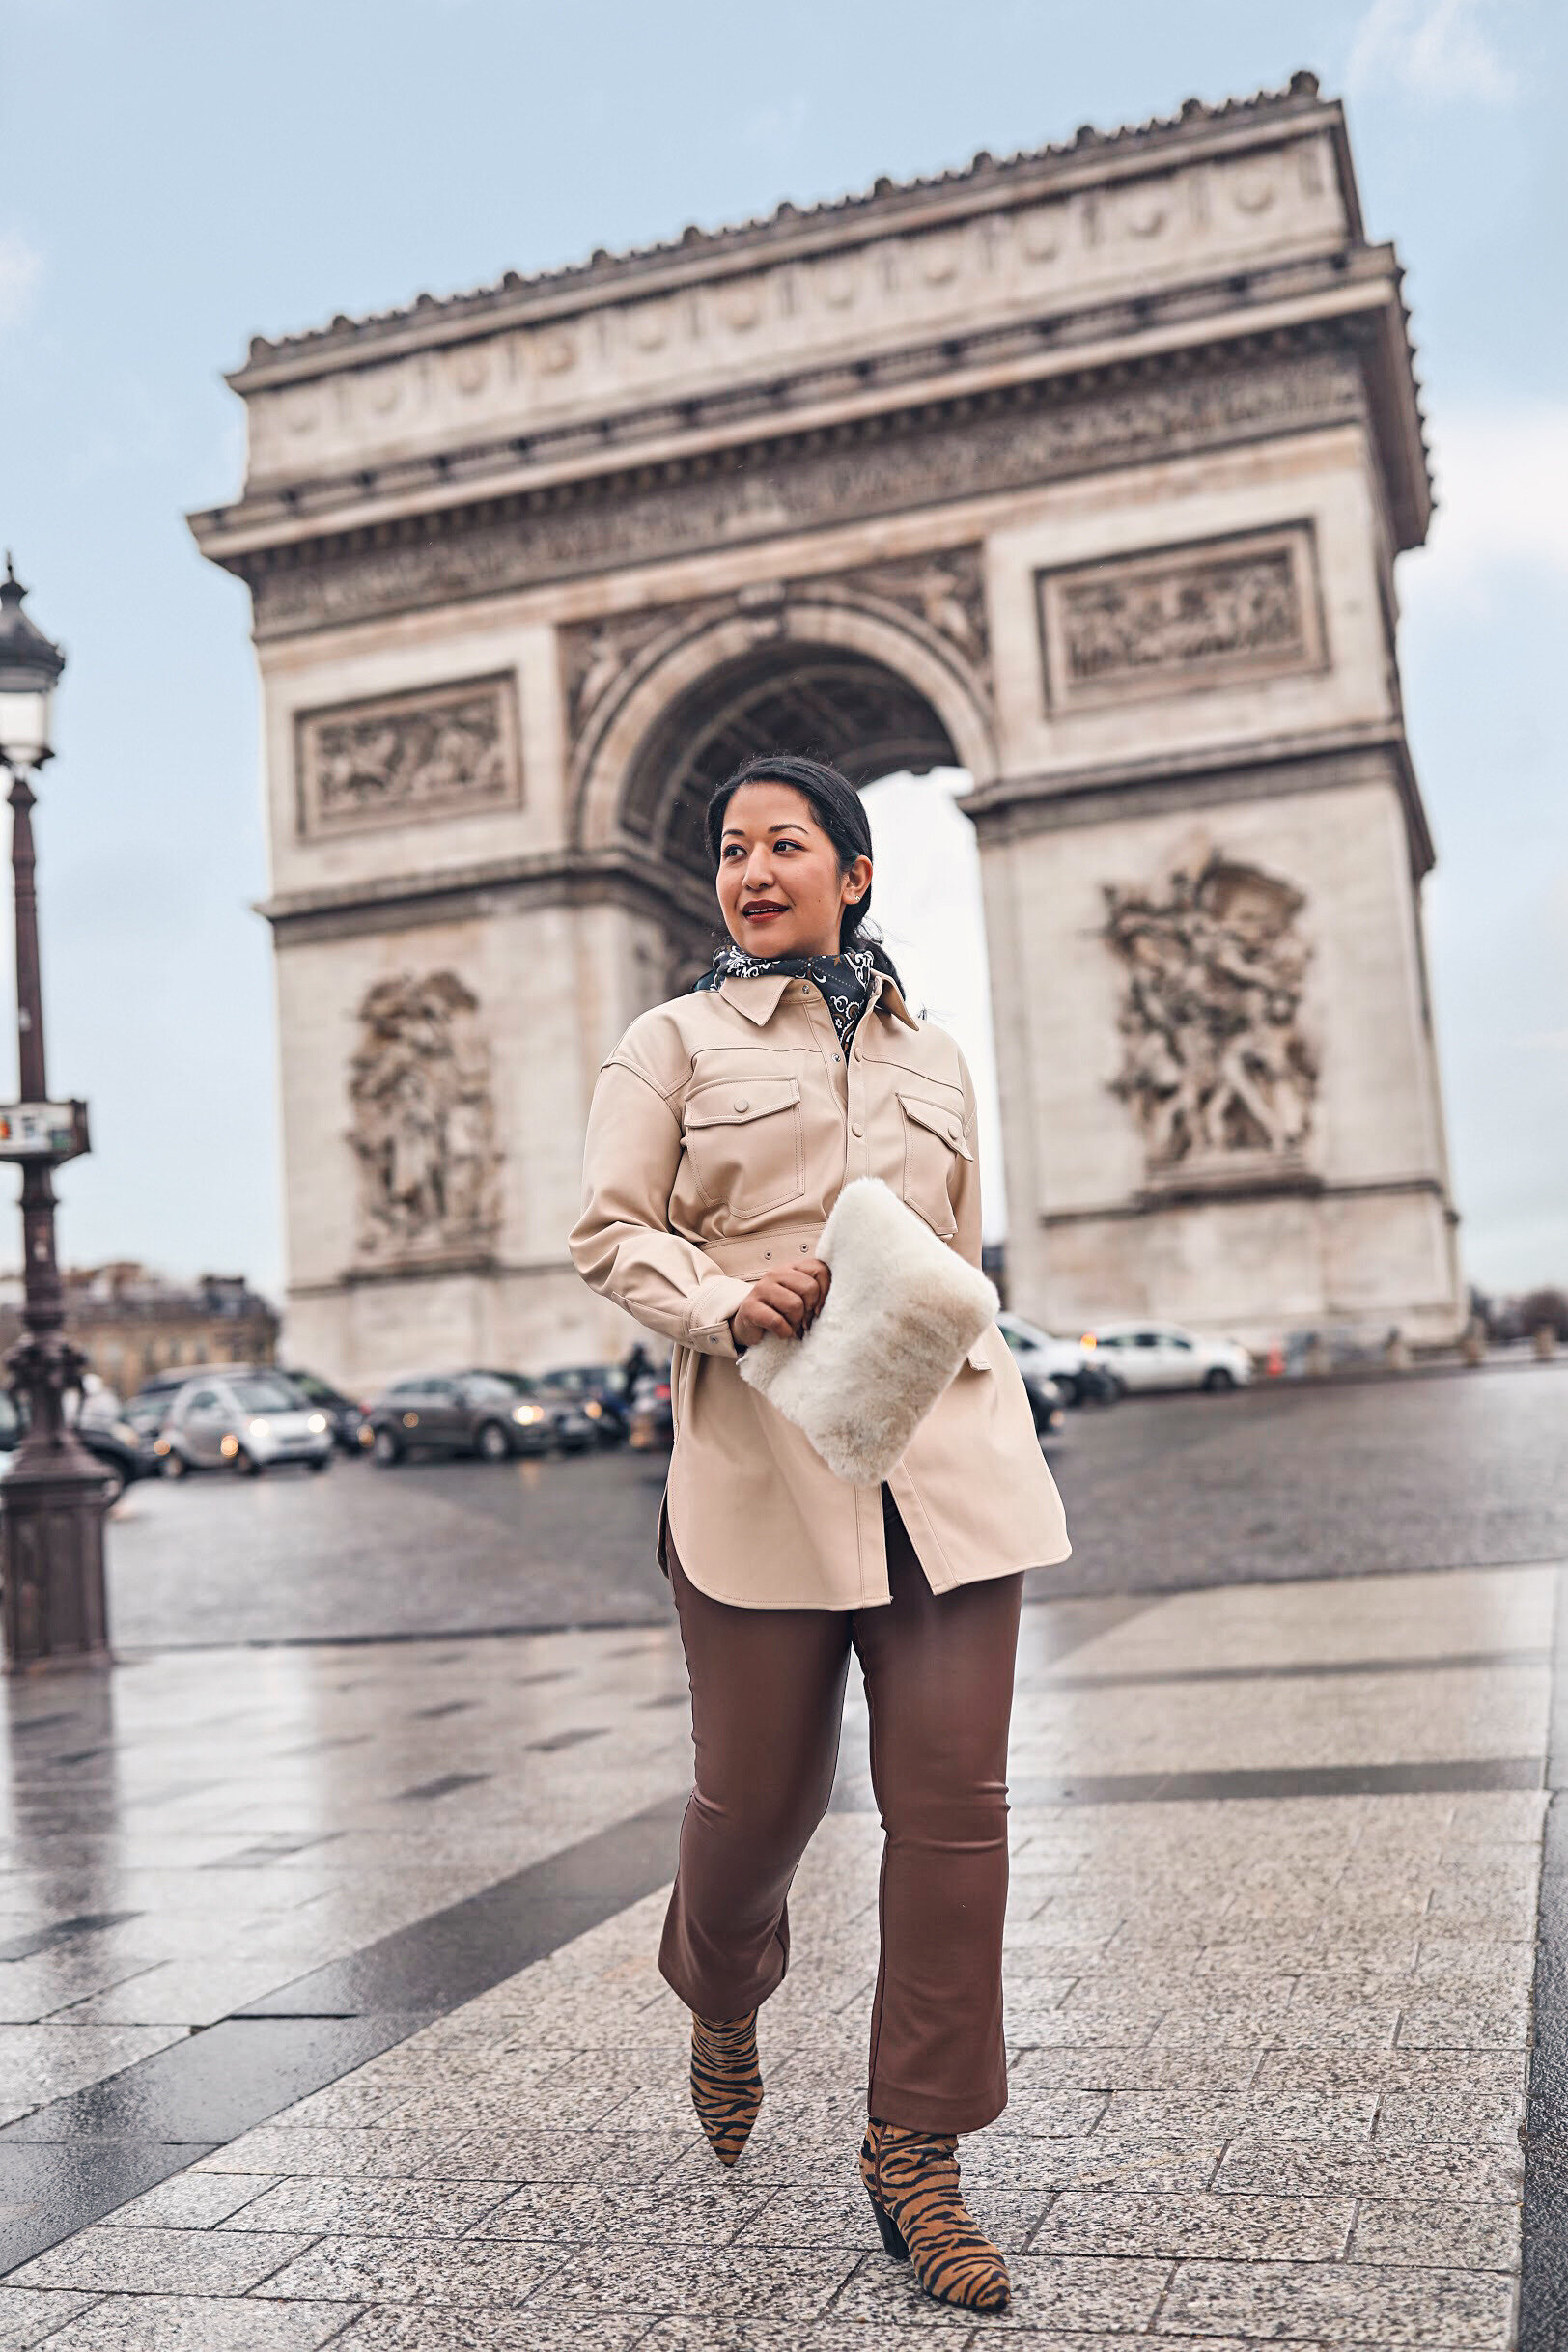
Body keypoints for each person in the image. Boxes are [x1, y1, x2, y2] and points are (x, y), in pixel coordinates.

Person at [570, 753, 1070, 2313]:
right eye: (729, 849)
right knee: (754, 1813)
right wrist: (725, 1299)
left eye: (786, 844)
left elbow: (957, 1255)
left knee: (956, 1810)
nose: (751, 870)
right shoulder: (669, 1044)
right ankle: (721, 1988)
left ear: (854, 869)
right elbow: (609, 1228)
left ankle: (916, 2152)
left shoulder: (940, 1057)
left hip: (948, 1461)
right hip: (762, 1466)